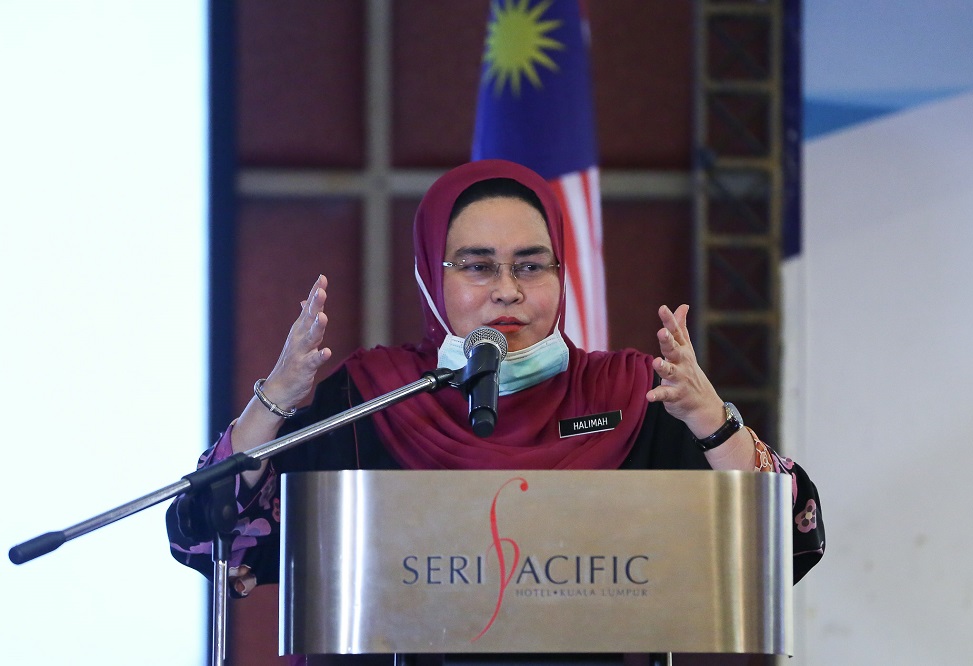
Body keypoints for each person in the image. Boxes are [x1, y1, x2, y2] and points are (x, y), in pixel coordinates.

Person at [167, 159, 824, 661]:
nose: (508, 291)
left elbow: (792, 540)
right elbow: (201, 535)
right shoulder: (370, 400)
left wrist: (714, 422)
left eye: (532, 267)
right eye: (478, 267)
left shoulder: (631, 397)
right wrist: (276, 399)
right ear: (431, 273)